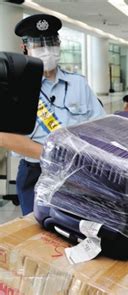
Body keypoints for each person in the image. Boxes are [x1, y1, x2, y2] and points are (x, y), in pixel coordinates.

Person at [0, 14, 105, 215]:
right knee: (37, 230)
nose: (47, 51)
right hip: (36, 171)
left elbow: (100, 126)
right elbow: (4, 136)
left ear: (59, 45)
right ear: (25, 49)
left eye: (51, 43)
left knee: (73, 226)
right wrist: (54, 156)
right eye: (39, 45)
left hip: (77, 171)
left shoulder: (78, 83)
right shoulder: (15, 87)